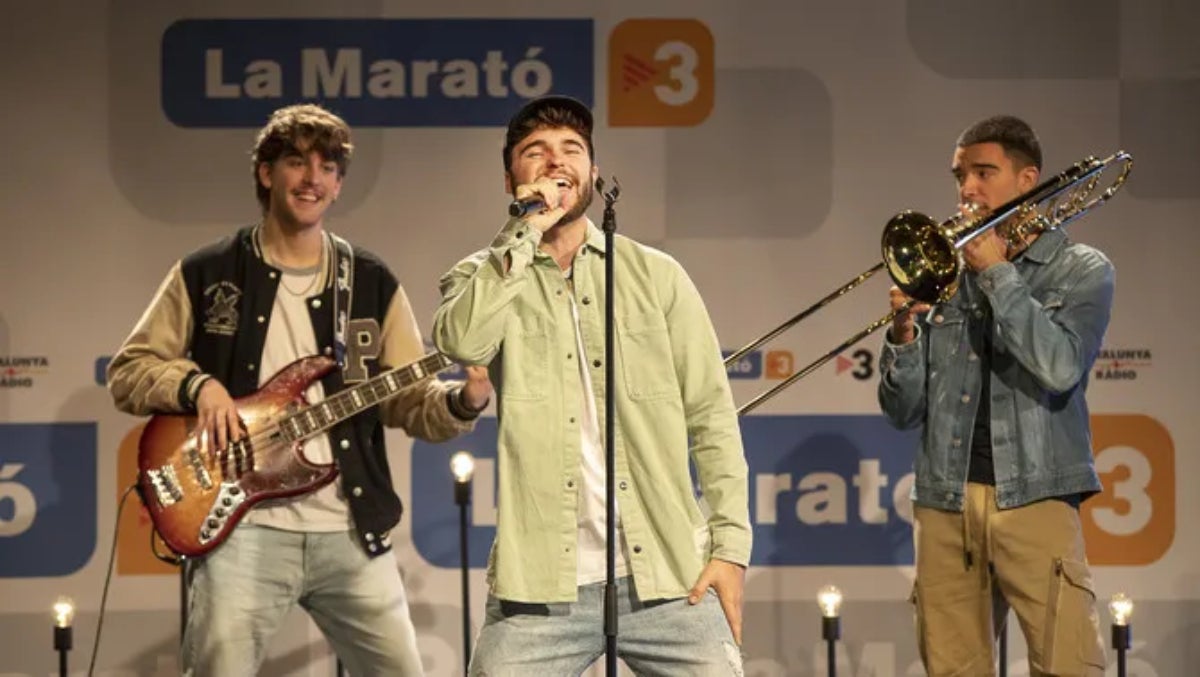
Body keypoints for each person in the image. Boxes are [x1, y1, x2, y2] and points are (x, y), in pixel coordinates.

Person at [107, 103, 492, 676]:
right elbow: (129, 370)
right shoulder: (208, 270)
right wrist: (198, 385)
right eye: (297, 161)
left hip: (349, 529)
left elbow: (407, 401)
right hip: (242, 531)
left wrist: (465, 400)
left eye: (329, 167)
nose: (313, 178)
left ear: (338, 186)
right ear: (266, 173)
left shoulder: (370, 280)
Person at [432, 95, 751, 676]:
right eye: (536, 153)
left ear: (594, 173)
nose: (556, 164)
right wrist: (523, 230)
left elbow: (711, 416)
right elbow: (463, 341)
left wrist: (730, 550)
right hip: (541, 588)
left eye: (571, 151)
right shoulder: (487, 273)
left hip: (667, 572)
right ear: (511, 177)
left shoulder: (658, 276)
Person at [878, 115, 1111, 676]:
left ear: (1027, 178)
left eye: (985, 172)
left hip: (1035, 495)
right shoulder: (946, 275)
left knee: (1068, 666)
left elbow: (1058, 367)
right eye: (961, 174)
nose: (967, 188)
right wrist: (904, 333)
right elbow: (902, 411)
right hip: (946, 501)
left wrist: (998, 274)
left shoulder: (1081, 269)